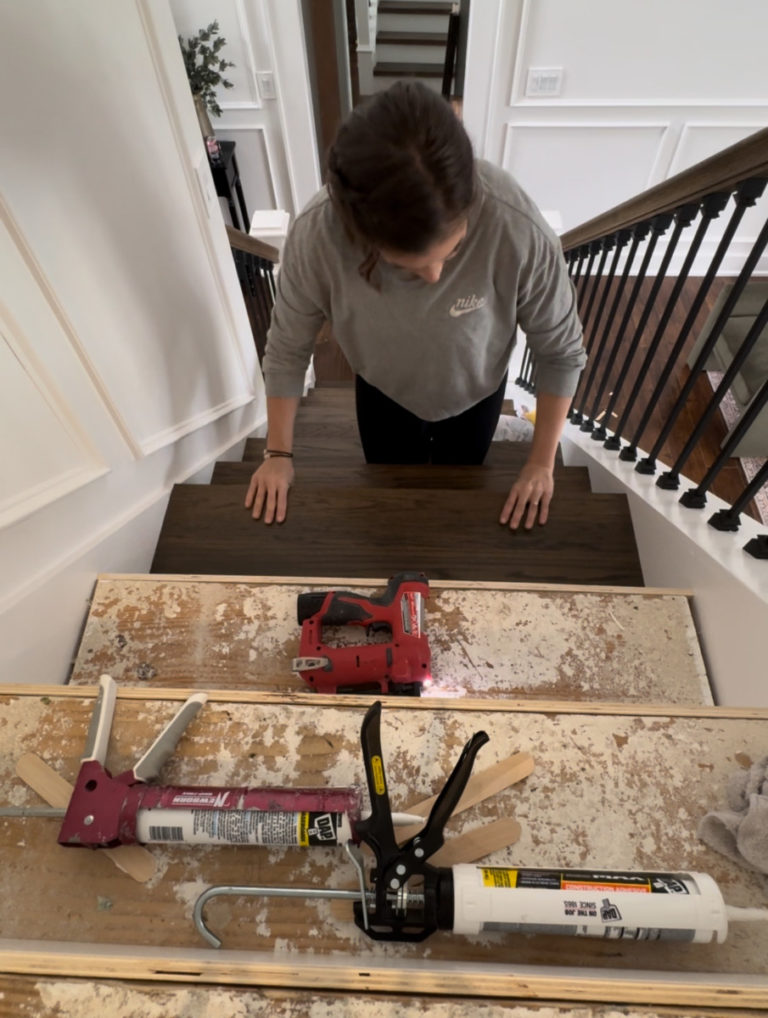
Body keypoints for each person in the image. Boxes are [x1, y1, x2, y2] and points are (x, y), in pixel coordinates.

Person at [246, 81, 586, 529]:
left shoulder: (517, 228)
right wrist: (277, 453)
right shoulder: (316, 238)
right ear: (362, 236)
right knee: (388, 505)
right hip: (382, 393)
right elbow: (287, 350)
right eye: (407, 267)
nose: (435, 277)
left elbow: (560, 352)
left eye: (452, 250)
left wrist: (541, 463)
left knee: (462, 500)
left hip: (477, 394)